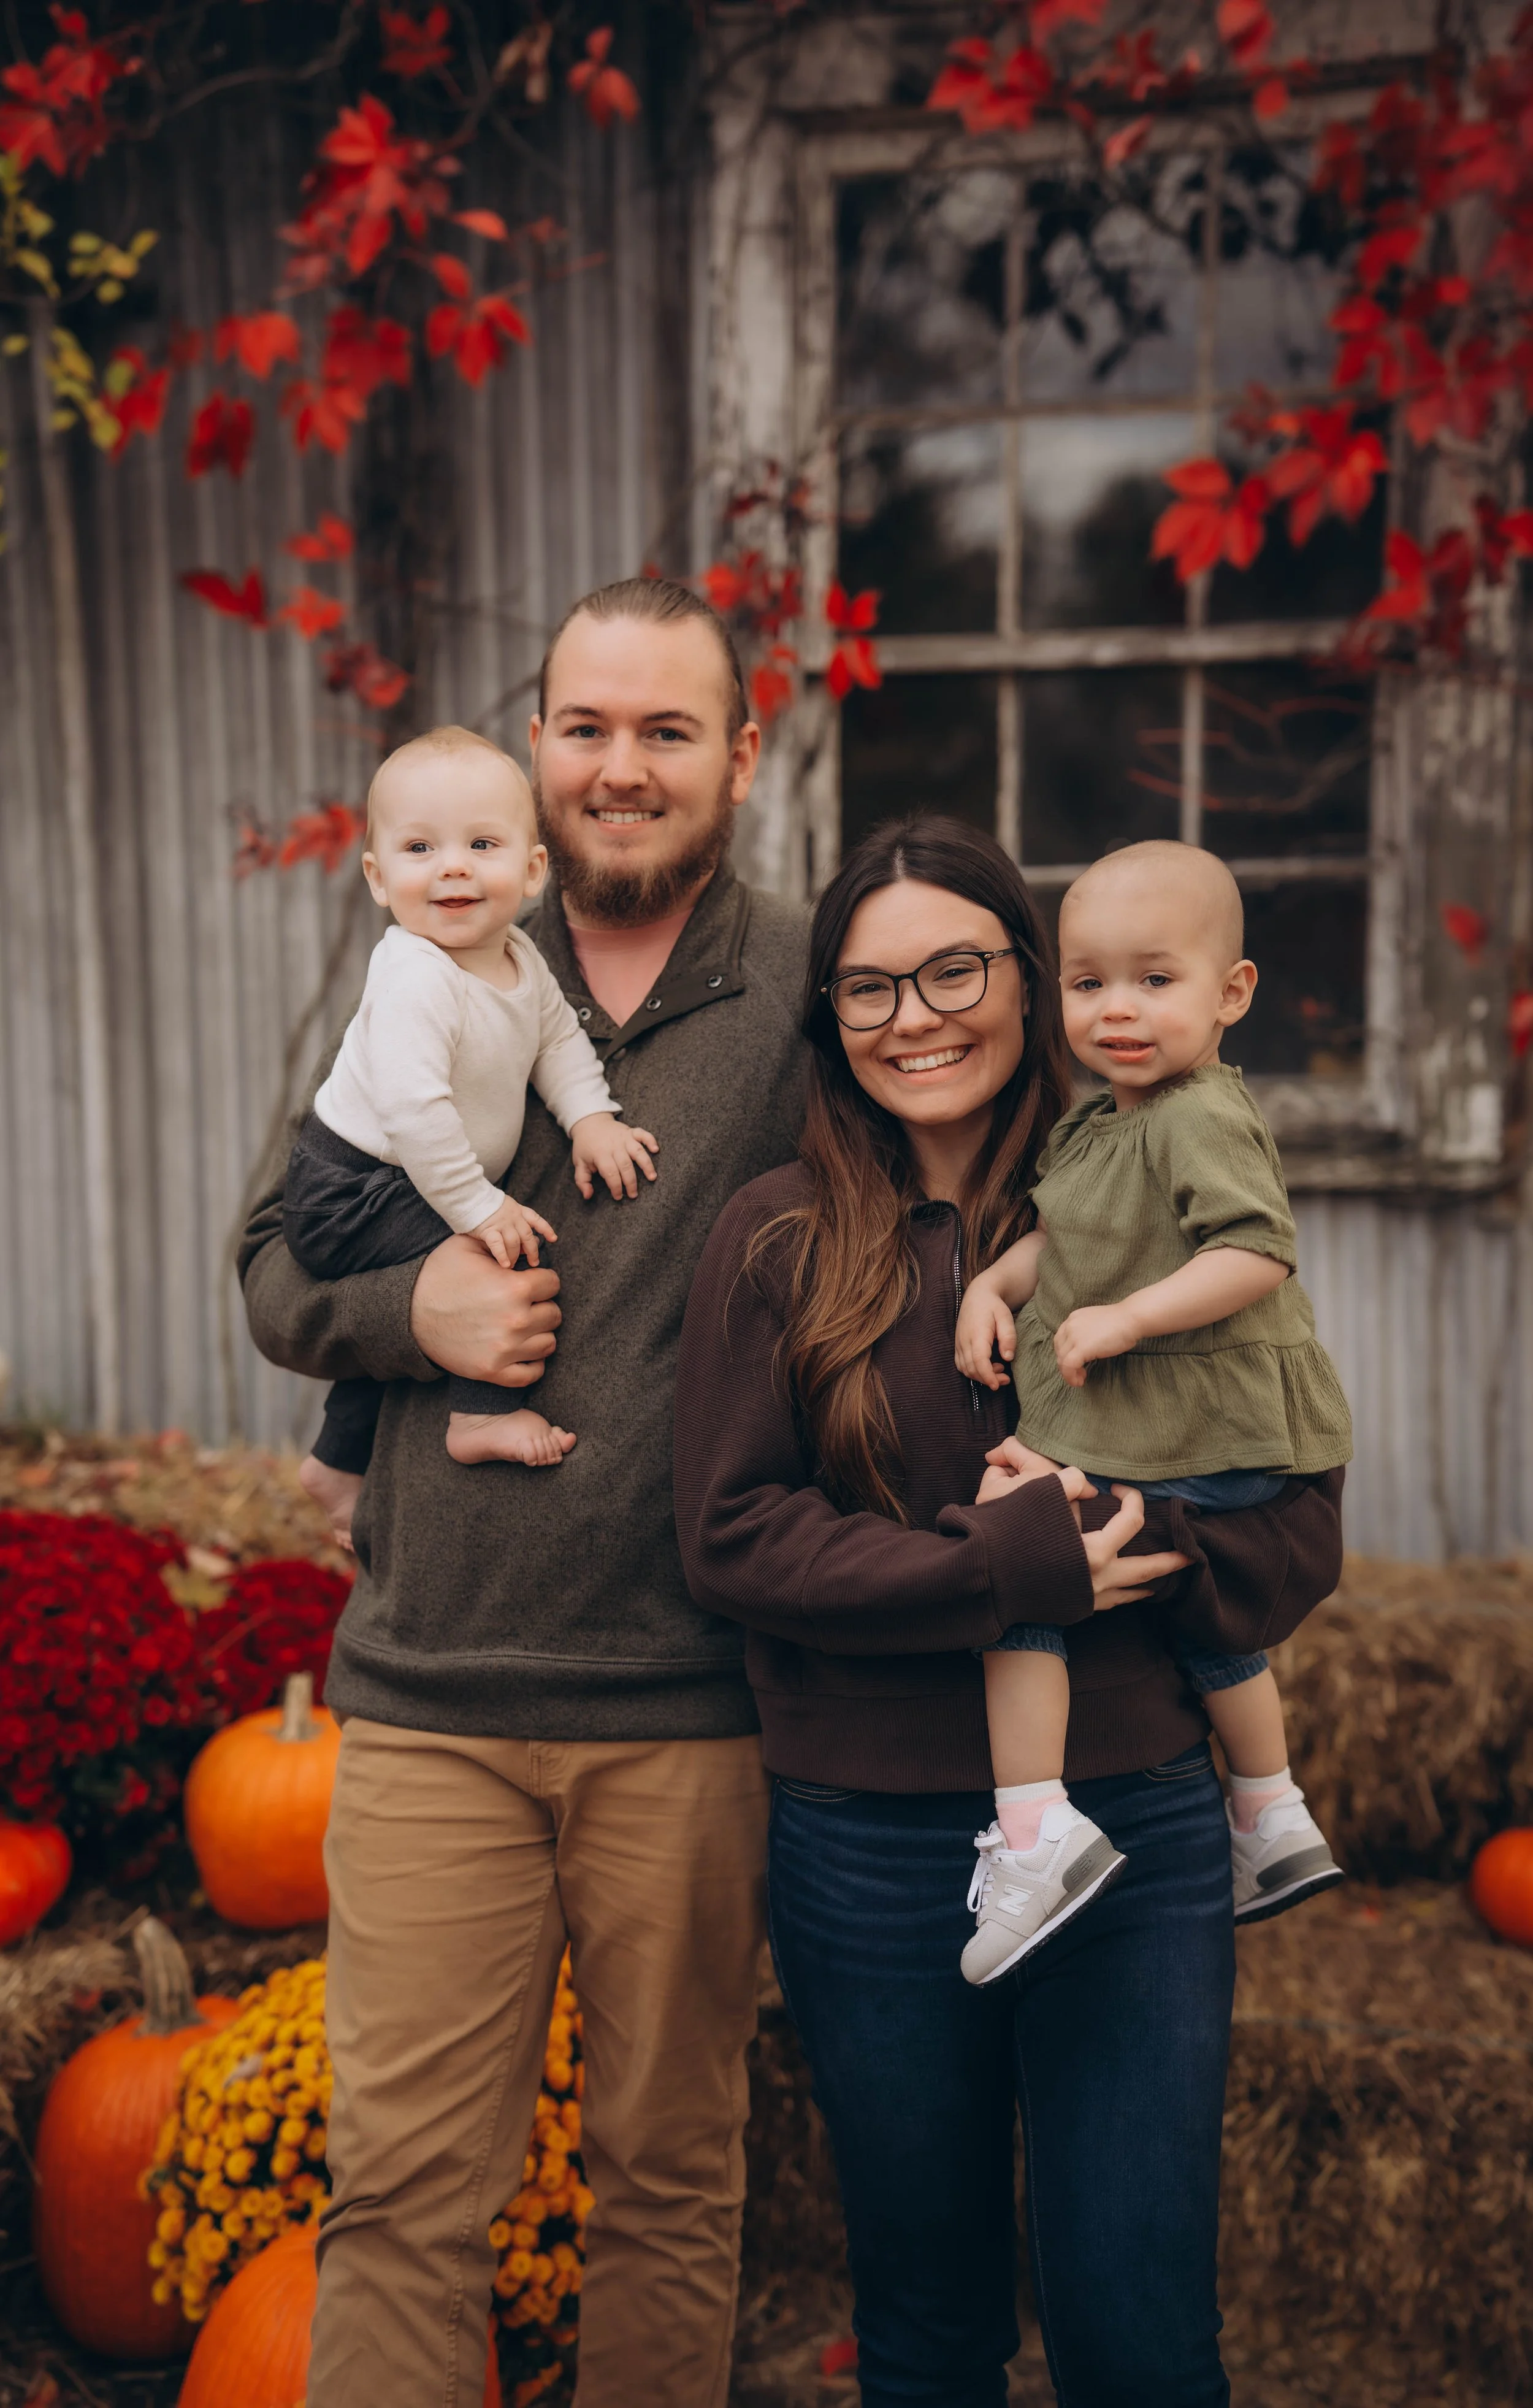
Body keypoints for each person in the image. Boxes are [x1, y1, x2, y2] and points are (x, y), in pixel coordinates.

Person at [675, 816, 1346, 2408]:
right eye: (865, 985)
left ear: (1024, 978)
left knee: (1139, 2336)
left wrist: (1141, 1528)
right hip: (870, 1840)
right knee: (925, 2326)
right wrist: (995, 1572)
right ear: (827, 1016)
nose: (912, 1013)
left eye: (952, 966)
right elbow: (732, 1537)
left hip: (1136, 1816)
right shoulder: (772, 1231)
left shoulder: (1157, 1182)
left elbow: (1293, 1520)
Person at [239, 577, 809, 2408]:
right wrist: (418, 1306)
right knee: (403, 2197)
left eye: (664, 730)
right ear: (539, 742)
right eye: (585, 726)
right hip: (430, 1696)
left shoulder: (812, 990)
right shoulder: (434, 925)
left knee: (667, 2183)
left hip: (689, 1708)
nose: (618, 768)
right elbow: (270, 1260)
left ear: (739, 748)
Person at [951, 840, 1350, 1983]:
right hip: (1165, 1428)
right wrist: (994, 1282)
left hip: (1195, 1417)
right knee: (1194, 1597)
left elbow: (1256, 1251)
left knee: (1019, 1572)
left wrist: (1126, 1319)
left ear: (1232, 993)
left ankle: (1038, 1835)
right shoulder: (1102, 1120)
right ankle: (1270, 1814)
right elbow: (1063, 1241)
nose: (1117, 1009)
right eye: (1088, 984)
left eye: (1155, 980)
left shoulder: (1195, 1115)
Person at [286, 725, 660, 1544]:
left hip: (392, 1181)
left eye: (481, 843)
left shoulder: (519, 958)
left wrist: (591, 1118)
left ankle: (334, 1463)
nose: (452, 866)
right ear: (380, 879)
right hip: (350, 1185)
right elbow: (417, 1113)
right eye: (420, 848)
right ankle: (479, 1416)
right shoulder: (416, 977)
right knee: (500, 1258)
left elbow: (558, 1043)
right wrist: (480, 1210)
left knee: (439, 1281)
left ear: (530, 870)